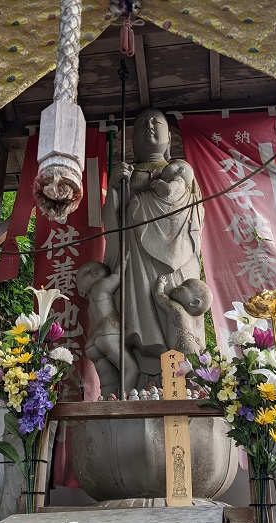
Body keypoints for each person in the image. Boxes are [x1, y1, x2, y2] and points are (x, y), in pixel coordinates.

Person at [101, 108, 204, 382]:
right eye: (141, 124)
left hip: (179, 255)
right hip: (136, 255)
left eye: (156, 122)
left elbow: (196, 214)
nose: (149, 126)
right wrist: (115, 189)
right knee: (141, 313)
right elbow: (112, 222)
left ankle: (184, 377)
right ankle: (147, 377)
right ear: (132, 141)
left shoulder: (183, 173)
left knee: (180, 310)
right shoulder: (127, 175)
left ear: (169, 138)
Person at [77, 259, 139, 396]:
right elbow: (117, 277)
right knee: (131, 369)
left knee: (108, 381)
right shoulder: (101, 285)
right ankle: (124, 403)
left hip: (92, 343)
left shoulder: (90, 303)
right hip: (108, 333)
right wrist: (125, 259)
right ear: (94, 274)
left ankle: (108, 403)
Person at [153, 274, 212, 355]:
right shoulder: (196, 319)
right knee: (204, 359)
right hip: (197, 344)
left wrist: (161, 283)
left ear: (194, 303)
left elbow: (159, 296)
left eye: (185, 286)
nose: (178, 285)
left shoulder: (176, 308)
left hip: (184, 343)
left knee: (188, 357)